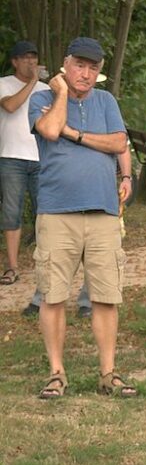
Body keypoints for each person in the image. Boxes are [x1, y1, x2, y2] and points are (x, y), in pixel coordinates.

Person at [28, 37, 135, 398]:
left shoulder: (106, 101)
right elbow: (49, 130)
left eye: (93, 67)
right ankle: (57, 373)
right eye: (79, 65)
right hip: (57, 211)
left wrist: (74, 134)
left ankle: (108, 372)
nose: (86, 73)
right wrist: (59, 94)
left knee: (106, 296)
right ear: (65, 64)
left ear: (100, 71)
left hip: (103, 211)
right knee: (53, 295)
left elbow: (119, 142)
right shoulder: (42, 98)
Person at [0, 40, 49, 285]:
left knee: (47, 212)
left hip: (42, 157)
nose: (31, 61)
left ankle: (48, 266)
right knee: (11, 213)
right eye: (25, 57)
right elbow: (10, 106)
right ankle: (12, 267)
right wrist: (32, 82)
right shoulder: (3, 84)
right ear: (15, 62)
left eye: (34, 57)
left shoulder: (47, 88)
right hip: (11, 158)